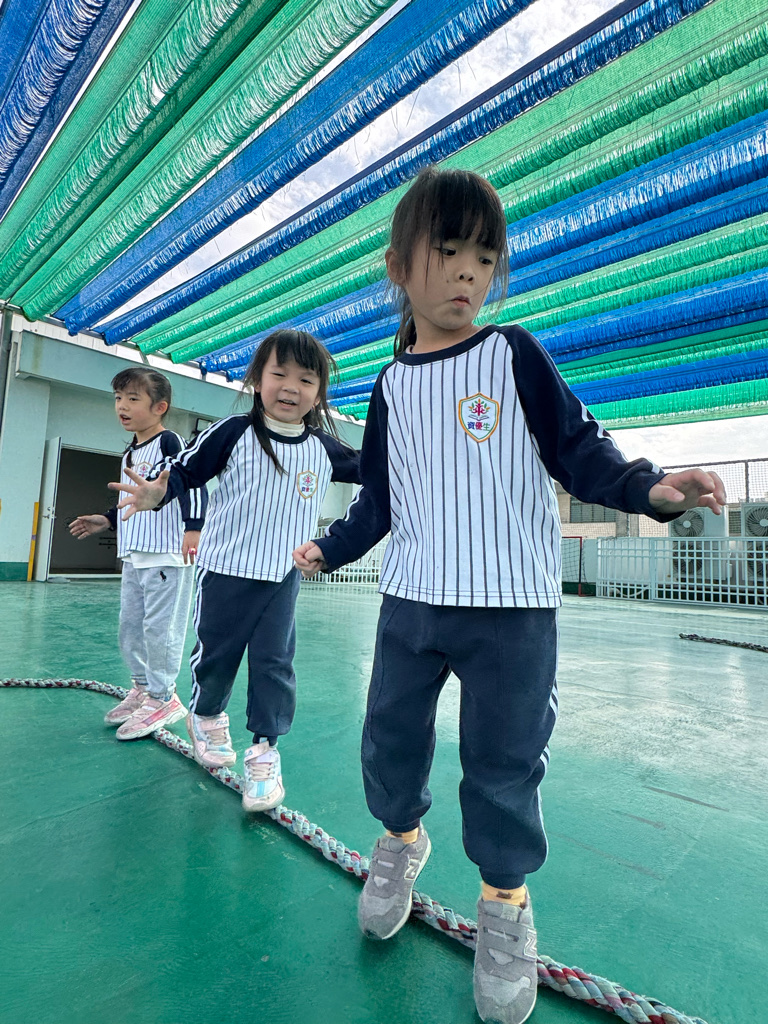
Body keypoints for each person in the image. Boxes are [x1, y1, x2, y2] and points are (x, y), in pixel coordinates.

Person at [292, 166, 726, 1024]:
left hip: (512, 607)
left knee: (504, 760)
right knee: (389, 738)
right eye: (449, 249)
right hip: (412, 600)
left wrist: (647, 488)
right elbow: (380, 498)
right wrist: (330, 548)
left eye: (485, 258)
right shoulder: (387, 387)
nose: (468, 271)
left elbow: (579, 448)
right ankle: (400, 840)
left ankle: (504, 901)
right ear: (398, 265)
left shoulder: (512, 353)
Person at [109, 330, 360, 814]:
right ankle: (205, 717)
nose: (291, 387)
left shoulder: (325, 448)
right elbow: (184, 470)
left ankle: (265, 750)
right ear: (257, 380)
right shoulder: (233, 432)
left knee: (275, 664)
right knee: (217, 656)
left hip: (282, 577)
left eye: (306, 379)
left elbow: (378, 473)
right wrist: (158, 493)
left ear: (319, 391)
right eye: (279, 373)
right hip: (225, 571)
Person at [70, 366, 207, 740]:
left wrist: (193, 528)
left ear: (160, 407)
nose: (122, 406)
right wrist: (107, 519)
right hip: (135, 556)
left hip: (165, 555)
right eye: (118, 398)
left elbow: (192, 483)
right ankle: (143, 688)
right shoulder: (130, 451)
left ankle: (163, 698)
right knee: (130, 628)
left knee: (160, 631)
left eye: (133, 399)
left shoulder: (170, 443)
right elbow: (135, 500)